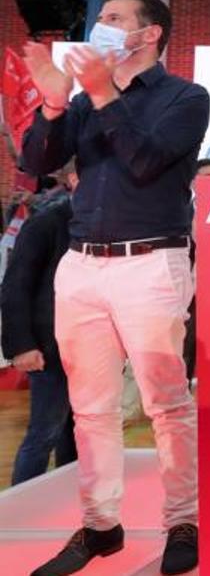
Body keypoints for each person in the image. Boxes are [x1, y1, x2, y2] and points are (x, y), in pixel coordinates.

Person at [20, 0, 210, 576]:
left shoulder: (185, 96)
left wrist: (101, 93)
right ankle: (100, 525)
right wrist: (54, 107)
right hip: (82, 263)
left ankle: (185, 519)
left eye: (114, 18)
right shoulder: (82, 102)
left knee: (166, 401)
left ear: (150, 33)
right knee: (91, 408)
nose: (101, 26)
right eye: (100, 18)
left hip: (151, 261)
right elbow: (36, 164)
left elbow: (148, 161)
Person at [3, 162, 78, 485]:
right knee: (44, 433)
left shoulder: (103, 224)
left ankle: (71, 502)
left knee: (77, 434)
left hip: (88, 348)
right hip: (48, 349)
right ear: (74, 179)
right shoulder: (47, 222)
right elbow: (15, 286)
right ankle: (18, 511)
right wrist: (22, 345)